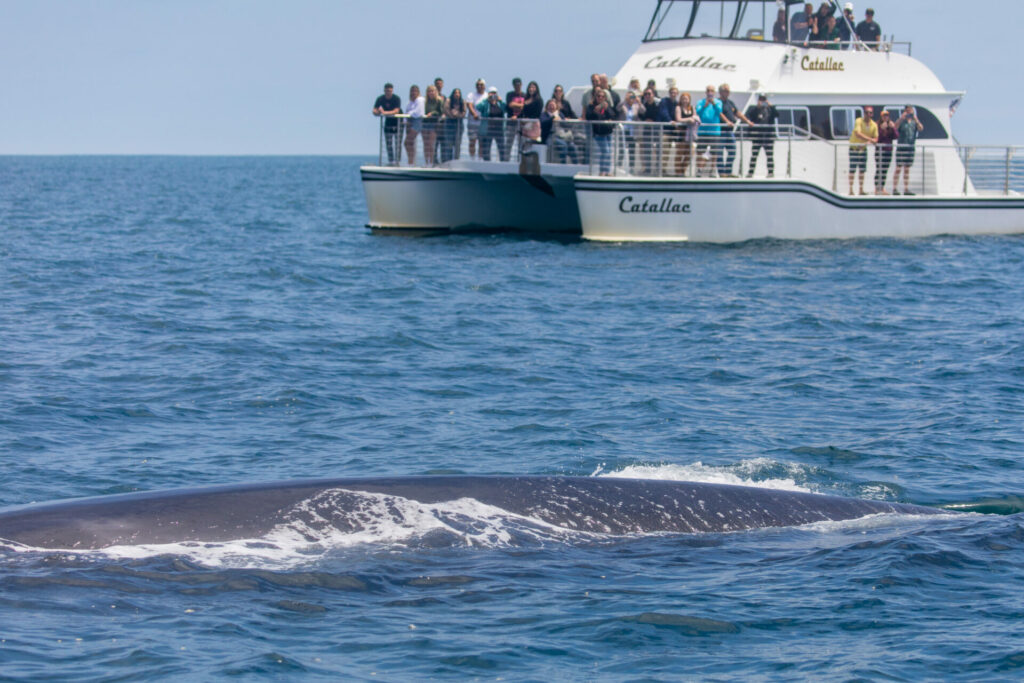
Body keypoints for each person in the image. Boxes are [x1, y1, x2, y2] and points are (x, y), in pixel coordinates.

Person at [717, 83, 753, 177]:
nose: (728, 92)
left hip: (729, 131)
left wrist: (747, 121)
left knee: (732, 151)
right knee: (719, 152)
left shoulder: (730, 102)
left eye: (728, 91)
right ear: (720, 92)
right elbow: (719, 113)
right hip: (720, 131)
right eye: (726, 90)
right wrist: (727, 121)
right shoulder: (717, 102)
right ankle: (722, 173)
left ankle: (728, 171)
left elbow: (737, 113)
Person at [746, 94, 779, 177]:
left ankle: (770, 172)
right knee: (754, 155)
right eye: (761, 99)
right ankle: (750, 172)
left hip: (768, 136)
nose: (762, 101)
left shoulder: (770, 109)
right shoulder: (755, 109)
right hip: (757, 136)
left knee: (769, 155)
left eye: (764, 99)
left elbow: (777, 114)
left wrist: (771, 106)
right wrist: (757, 108)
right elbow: (750, 115)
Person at [848, 105, 878, 194]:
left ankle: (861, 190)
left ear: (872, 114)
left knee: (862, 170)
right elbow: (858, 133)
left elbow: (876, 139)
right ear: (864, 113)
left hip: (863, 149)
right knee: (852, 170)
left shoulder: (874, 125)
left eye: (870, 113)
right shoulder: (859, 121)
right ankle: (851, 190)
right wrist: (870, 139)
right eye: (866, 112)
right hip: (854, 148)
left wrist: (866, 143)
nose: (868, 114)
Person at [586, 89, 616, 175]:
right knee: (605, 151)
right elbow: (589, 117)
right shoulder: (591, 106)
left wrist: (606, 109)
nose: (600, 98)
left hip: (608, 132)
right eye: (598, 96)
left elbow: (613, 116)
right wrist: (596, 110)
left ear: (605, 98)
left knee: (609, 152)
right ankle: (602, 171)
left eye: (602, 96)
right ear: (595, 97)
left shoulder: (607, 106)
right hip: (598, 133)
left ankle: (607, 171)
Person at [894, 105, 923, 195]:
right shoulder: (902, 121)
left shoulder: (914, 122)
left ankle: (906, 189)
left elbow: (921, 128)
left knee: (907, 169)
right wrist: (901, 118)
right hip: (901, 147)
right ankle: (895, 189)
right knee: (898, 168)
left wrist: (916, 119)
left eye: (910, 111)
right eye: (907, 111)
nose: (909, 113)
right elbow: (895, 127)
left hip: (910, 148)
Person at [695, 85, 723, 176]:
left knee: (714, 152)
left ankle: (712, 170)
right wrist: (705, 105)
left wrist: (713, 104)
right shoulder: (700, 102)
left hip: (714, 131)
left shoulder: (718, 102)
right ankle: (699, 170)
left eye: (712, 91)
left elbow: (719, 112)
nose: (710, 92)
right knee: (700, 151)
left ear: (714, 92)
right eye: (708, 90)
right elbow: (698, 112)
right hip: (703, 131)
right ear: (706, 92)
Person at [372, 82, 402, 165]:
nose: (388, 92)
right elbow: (374, 110)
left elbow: (396, 110)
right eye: (387, 91)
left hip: (398, 123)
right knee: (388, 143)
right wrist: (379, 112)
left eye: (390, 91)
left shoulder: (396, 99)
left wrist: (385, 112)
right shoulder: (380, 99)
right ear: (384, 91)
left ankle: (397, 161)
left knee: (397, 143)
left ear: (392, 91)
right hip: (387, 123)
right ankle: (391, 161)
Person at [541, 98, 577, 163]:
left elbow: (565, 125)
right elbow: (543, 122)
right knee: (563, 145)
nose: (551, 107)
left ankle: (576, 164)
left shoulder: (560, 114)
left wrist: (561, 120)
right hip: (551, 136)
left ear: (556, 106)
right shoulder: (544, 114)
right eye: (550, 105)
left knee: (572, 146)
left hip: (562, 135)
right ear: (547, 106)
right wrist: (552, 118)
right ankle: (563, 163)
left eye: (553, 105)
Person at [476, 87, 507, 161]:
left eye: (494, 93)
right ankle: (486, 162)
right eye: (491, 93)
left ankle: (503, 162)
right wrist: (487, 99)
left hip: (499, 130)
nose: (493, 95)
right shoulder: (486, 103)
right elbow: (478, 107)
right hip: (488, 129)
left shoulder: (500, 104)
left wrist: (501, 100)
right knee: (486, 148)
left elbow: (506, 109)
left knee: (502, 147)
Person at [674, 92, 699, 176]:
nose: (685, 100)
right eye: (683, 98)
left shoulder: (692, 108)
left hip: (690, 134)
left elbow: (695, 118)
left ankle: (683, 170)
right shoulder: (678, 108)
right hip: (682, 133)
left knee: (689, 154)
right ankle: (678, 172)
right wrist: (689, 119)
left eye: (686, 99)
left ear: (689, 100)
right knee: (680, 153)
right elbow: (678, 119)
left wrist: (695, 119)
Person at [618, 90, 642, 173]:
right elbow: (617, 109)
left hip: (632, 131)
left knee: (632, 150)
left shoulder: (636, 106)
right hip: (624, 130)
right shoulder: (623, 105)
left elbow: (643, 111)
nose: (631, 98)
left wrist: (639, 102)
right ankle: (619, 166)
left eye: (632, 97)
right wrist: (625, 100)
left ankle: (632, 167)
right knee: (622, 149)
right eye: (629, 97)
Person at [638, 88, 661, 174]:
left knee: (658, 149)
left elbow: (659, 115)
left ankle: (658, 169)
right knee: (647, 149)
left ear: (653, 95)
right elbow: (640, 115)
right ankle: (648, 169)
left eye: (649, 94)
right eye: (645, 94)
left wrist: (653, 121)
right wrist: (645, 121)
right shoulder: (643, 105)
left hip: (656, 129)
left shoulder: (658, 105)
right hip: (647, 129)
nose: (647, 96)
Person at [874, 109, 896, 194]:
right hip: (879, 151)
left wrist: (893, 128)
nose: (885, 117)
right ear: (881, 116)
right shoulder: (877, 125)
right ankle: (876, 188)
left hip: (888, 151)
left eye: (887, 115)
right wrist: (881, 129)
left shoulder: (890, 124)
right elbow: (877, 138)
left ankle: (882, 188)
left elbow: (896, 136)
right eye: (884, 115)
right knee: (879, 170)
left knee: (885, 170)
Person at [441, 88, 466, 163]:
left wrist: (459, 115)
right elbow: (446, 109)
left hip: (459, 123)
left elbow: (464, 111)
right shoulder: (449, 100)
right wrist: (452, 115)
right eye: (455, 93)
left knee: (457, 143)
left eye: (458, 93)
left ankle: (456, 160)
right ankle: (448, 160)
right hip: (449, 123)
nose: (457, 94)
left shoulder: (462, 101)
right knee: (449, 143)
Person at [421, 85, 444, 167]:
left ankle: (431, 162)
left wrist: (432, 113)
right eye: (429, 91)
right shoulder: (425, 101)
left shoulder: (439, 101)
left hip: (433, 124)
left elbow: (440, 112)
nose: (431, 92)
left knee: (431, 143)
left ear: (435, 92)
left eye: (432, 91)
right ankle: (426, 162)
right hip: (425, 123)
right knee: (425, 143)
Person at [465, 79, 488, 159]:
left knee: (482, 142)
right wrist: (474, 114)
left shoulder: (487, 96)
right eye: (478, 85)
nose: (479, 86)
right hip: (472, 123)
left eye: (481, 85)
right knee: (472, 141)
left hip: (483, 124)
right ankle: (472, 158)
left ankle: (480, 158)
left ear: (484, 86)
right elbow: (469, 105)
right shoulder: (471, 95)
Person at [403, 84, 424, 166]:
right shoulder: (410, 102)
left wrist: (409, 114)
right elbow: (406, 112)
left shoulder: (420, 100)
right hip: (409, 123)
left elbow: (418, 112)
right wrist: (405, 120)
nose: (413, 93)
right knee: (410, 143)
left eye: (415, 91)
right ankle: (411, 161)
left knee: (407, 141)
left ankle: (411, 161)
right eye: (412, 91)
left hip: (417, 122)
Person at [505, 77, 526, 158]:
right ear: (513, 86)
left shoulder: (525, 95)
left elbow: (526, 107)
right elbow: (510, 105)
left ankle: (521, 159)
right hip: (511, 123)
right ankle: (506, 159)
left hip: (522, 123)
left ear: (521, 85)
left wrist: (516, 105)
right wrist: (522, 106)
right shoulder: (509, 94)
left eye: (519, 84)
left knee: (521, 143)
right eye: (516, 85)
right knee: (509, 142)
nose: (518, 86)